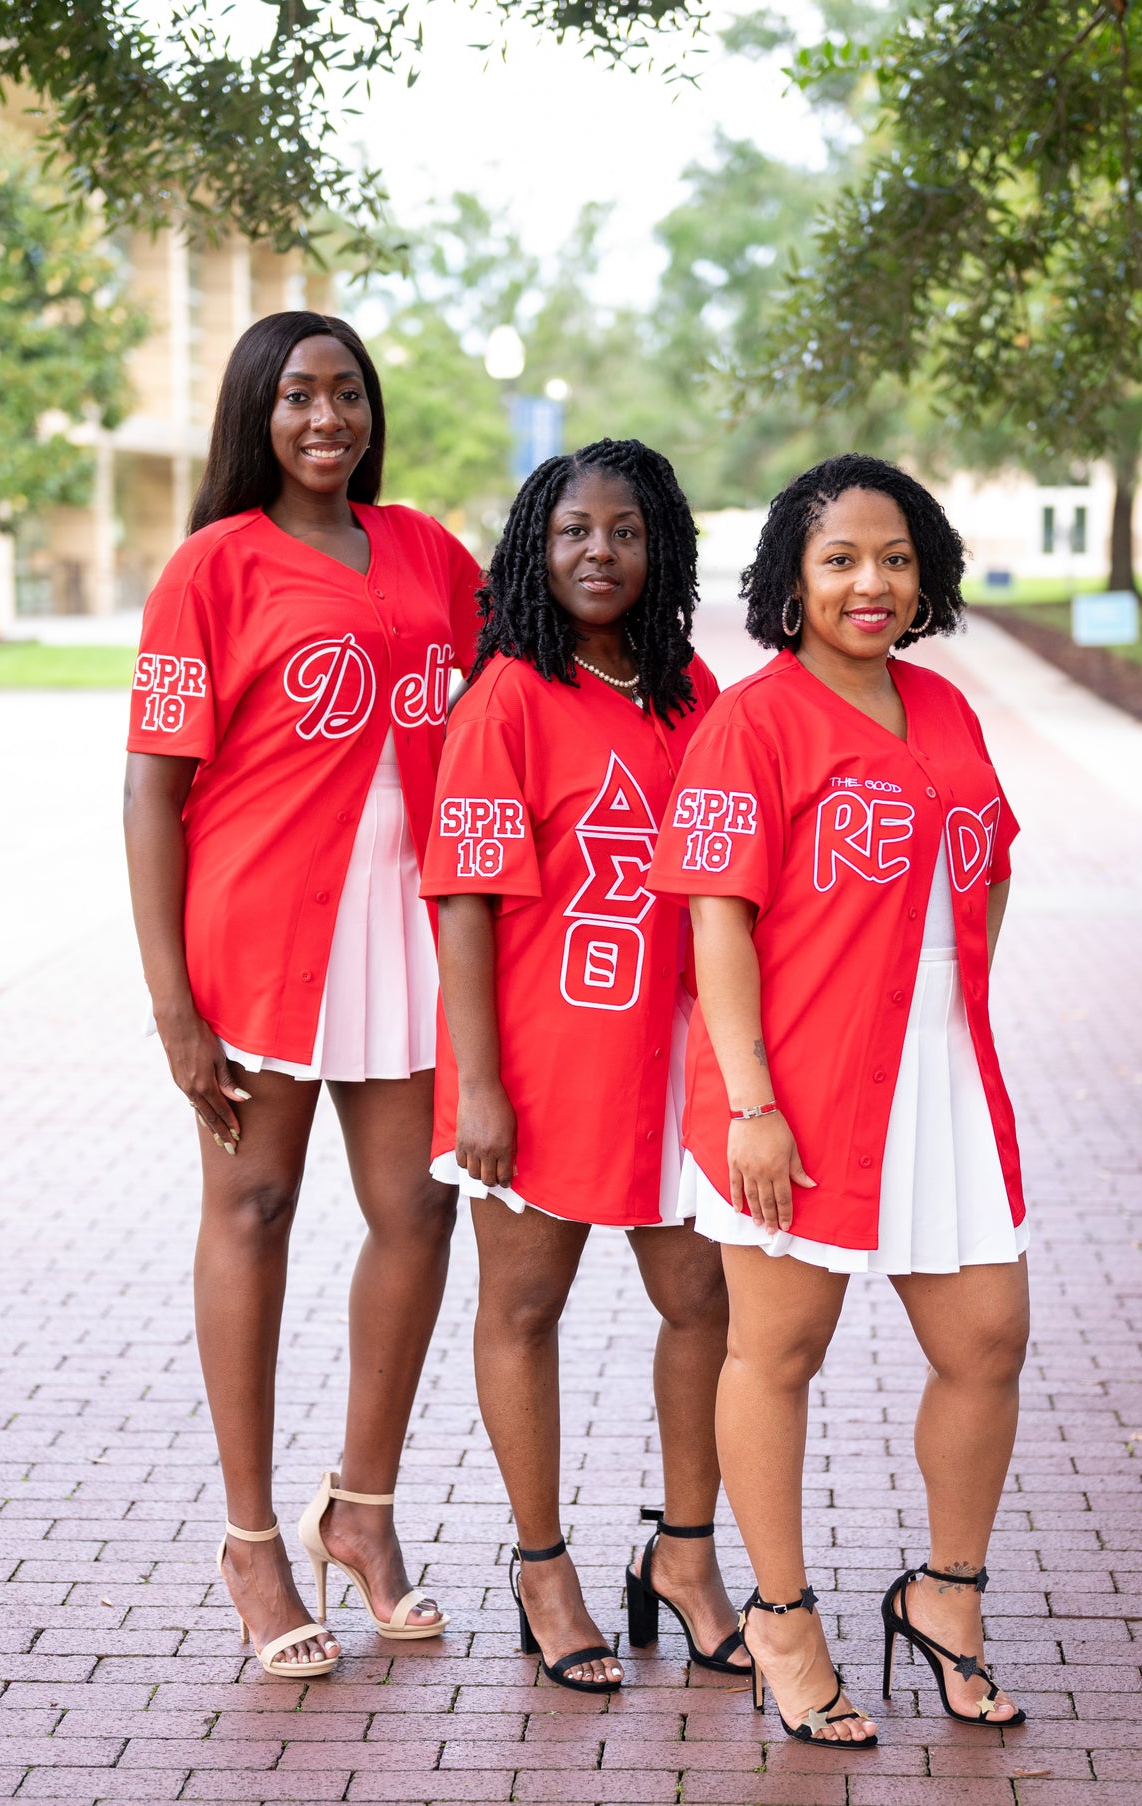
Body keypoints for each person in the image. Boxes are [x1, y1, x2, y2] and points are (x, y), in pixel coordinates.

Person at [648, 453, 1029, 1745]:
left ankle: (945, 1593)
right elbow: (717, 927)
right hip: (793, 1091)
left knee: (985, 1340)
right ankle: (781, 1615)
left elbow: (989, 864)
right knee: (779, 1350)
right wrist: (750, 1100)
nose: (872, 582)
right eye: (841, 560)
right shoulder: (750, 723)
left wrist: (952, 993)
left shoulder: (946, 708)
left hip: (940, 1077)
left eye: (896, 558)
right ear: (790, 580)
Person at [123, 312, 482, 1677]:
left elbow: (531, 671)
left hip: (407, 930)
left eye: (346, 394)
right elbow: (153, 787)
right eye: (297, 396)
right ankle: (250, 1537)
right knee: (253, 1205)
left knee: (415, 1208)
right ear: (254, 416)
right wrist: (172, 1004)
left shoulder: (431, 554)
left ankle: (363, 1510)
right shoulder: (212, 567)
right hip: (259, 936)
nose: (326, 417)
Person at [422, 439, 749, 1695]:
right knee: (522, 1309)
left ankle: (681, 1551)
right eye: (571, 533)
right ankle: (542, 1565)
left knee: (703, 1306)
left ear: (658, 545)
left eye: (623, 531)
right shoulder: (504, 695)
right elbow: (462, 899)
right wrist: (481, 1084)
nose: (597, 554)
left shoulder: (692, 690)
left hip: (674, 1060)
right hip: (543, 1062)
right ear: (532, 550)